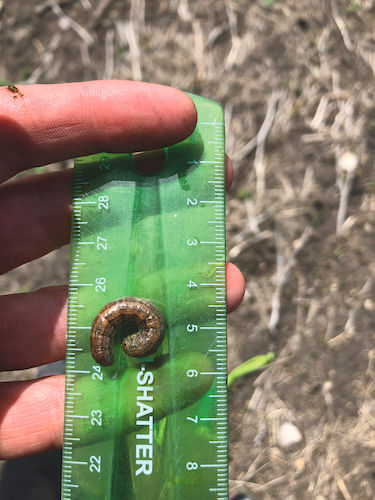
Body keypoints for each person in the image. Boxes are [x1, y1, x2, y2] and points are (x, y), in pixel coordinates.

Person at [0, 80, 245, 460]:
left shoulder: (132, 328)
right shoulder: (123, 330)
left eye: (124, 345)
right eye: (130, 343)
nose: (129, 345)